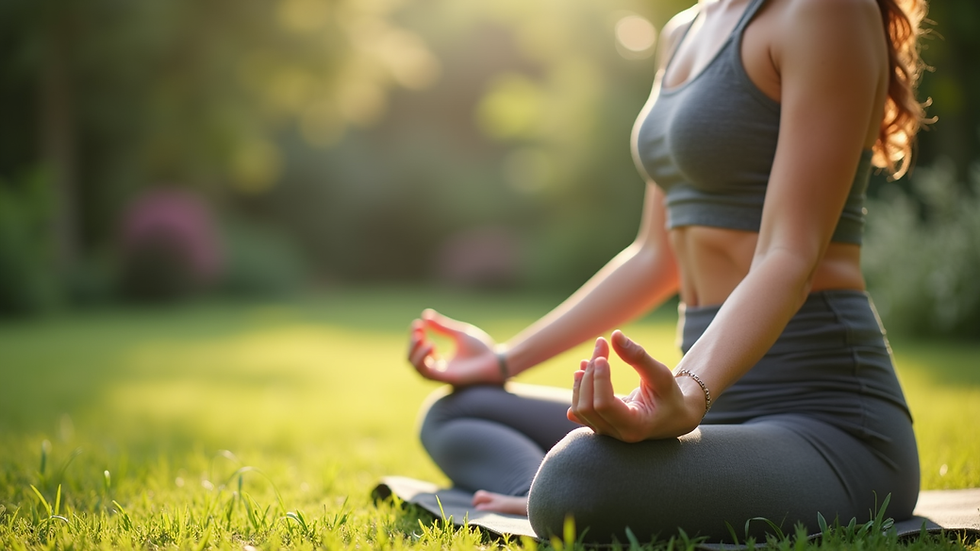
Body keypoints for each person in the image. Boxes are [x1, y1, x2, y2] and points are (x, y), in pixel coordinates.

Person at [407, 0, 929, 543]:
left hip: (828, 425)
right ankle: (543, 493)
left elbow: (788, 255)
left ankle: (563, 492)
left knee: (580, 474)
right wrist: (501, 361)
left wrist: (687, 390)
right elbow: (655, 255)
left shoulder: (826, 11)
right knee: (458, 411)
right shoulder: (685, 29)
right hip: (708, 405)